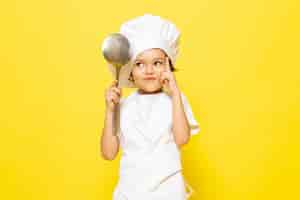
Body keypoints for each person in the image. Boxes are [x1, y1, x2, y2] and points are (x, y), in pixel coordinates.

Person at [101, 14, 200, 200]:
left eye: (157, 63)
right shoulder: (123, 106)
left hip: (168, 191)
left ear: (169, 67)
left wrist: (176, 93)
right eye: (139, 64)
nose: (149, 70)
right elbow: (108, 153)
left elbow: (182, 139)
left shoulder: (175, 101)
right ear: (129, 72)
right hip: (130, 191)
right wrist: (110, 110)